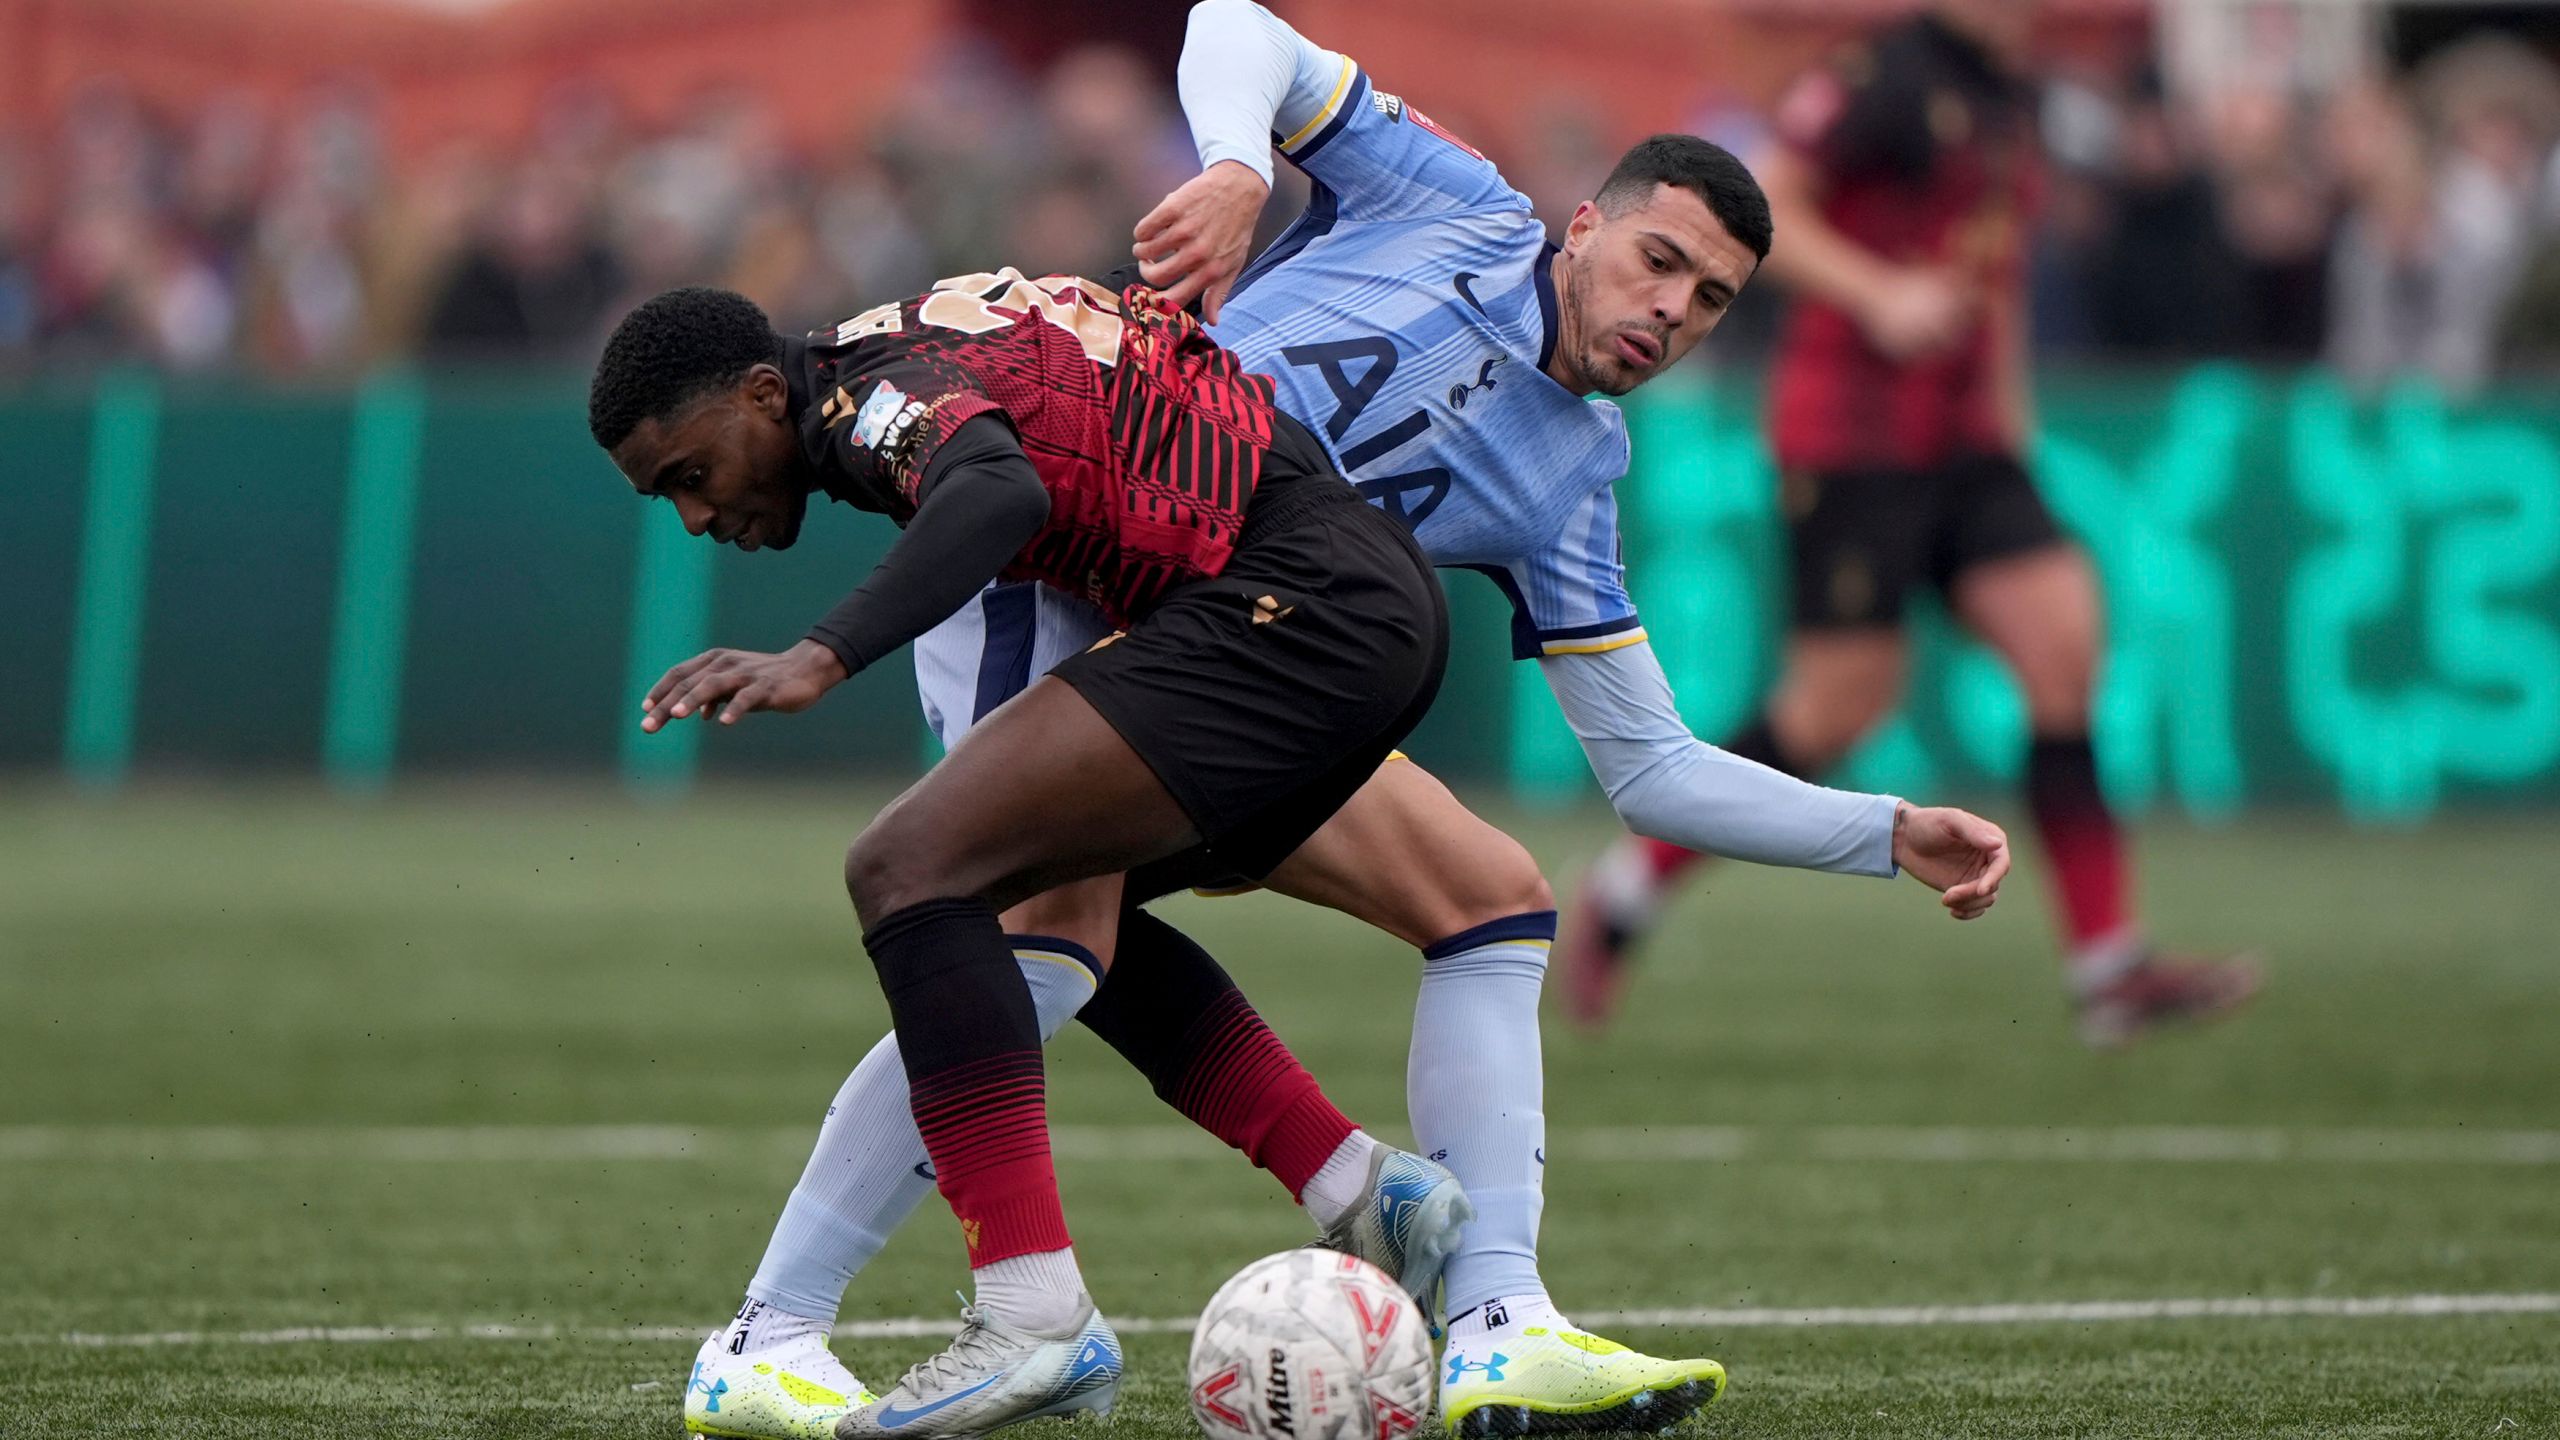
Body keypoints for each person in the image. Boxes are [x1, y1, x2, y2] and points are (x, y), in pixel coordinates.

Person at [686, 6, 2017, 1439]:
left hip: (1256, 643)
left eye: (1709, 304)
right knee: (1046, 933)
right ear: (1584, 227)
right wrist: (1240, 167)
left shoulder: (1571, 476)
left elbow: (1654, 772)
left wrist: (1881, 833)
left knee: (1492, 900)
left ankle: (1500, 1322)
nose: (1670, 312)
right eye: (1659, 261)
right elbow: (1229, 25)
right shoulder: (1451, 203)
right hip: (1065, 563)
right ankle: (772, 1334)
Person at [590, 269, 1472, 1440]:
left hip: (1296, 603)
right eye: (669, 503)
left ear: (765, 393)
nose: (698, 517)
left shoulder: (865, 396)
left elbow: (993, 485)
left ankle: (1029, 1313)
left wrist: (823, 652)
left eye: (691, 477)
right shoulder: (900, 351)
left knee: (907, 872)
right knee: (1041, 907)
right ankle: (1359, 1187)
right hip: (1352, 603)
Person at [1562, 0, 2260, 1046]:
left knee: (2063, 647)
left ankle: (2109, 967)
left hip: (1967, 438)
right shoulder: (1881, 78)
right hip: (1853, 435)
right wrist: (1881, 293)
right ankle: (1625, 892)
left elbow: (1997, 276)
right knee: (1836, 706)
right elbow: (1770, 212)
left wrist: (2012, 429)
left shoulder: (2007, 99)